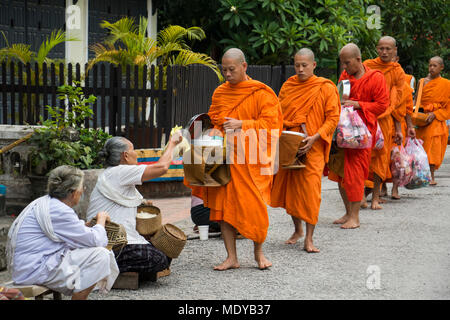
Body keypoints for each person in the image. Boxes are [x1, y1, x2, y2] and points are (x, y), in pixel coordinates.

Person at [203, 48, 283, 270]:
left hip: (252, 161)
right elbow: (215, 119)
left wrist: (243, 124)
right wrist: (215, 131)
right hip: (226, 159)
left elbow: (271, 125)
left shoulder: (261, 93)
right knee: (223, 209)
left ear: (244, 66)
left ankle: (259, 254)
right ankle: (232, 257)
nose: (227, 74)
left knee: (255, 207)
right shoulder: (220, 93)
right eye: (224, 70)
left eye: (232, 69)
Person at [6, 165, 119, 300]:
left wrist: (86, 225)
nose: (83, 191)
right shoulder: (59, 210)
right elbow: (97, 240)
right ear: (73, 192)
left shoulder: (48, 203)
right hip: (35, 270)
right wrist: (101, 220)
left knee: (92, 255)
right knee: (101, 255)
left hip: (29, 267)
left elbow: (69, 230)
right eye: (81, 188)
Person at [270, 48, 340, 252]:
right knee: (291, 189)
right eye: (297, 65)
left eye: (304, 65)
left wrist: (316, 137)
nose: (300, 69)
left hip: (314, 146)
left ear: (314, 65)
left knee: (310, 191)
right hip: (291, 143)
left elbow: (333, 117)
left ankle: (309, 238)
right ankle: (297, 229)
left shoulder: (325, 87)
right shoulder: (288, 86)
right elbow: (278, 114)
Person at [86, 133, 181, 278]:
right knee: (159, 258)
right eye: (133, 150)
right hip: (112, 244)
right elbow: (162, 167)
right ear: (125, 155)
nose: (136, 154)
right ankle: (106, 267)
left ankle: (126, 269)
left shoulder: (115, 173)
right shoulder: (119, 172)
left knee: (166, 250)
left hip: (120, 240)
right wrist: (172, 143)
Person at [328, 43, 389, 229]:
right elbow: (339, 98)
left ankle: (355, 217)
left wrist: (358, 104)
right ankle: (347, 212)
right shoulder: (345, 77)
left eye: (347, 63)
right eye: (342, 64)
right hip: (342, 132)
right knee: (340, 174)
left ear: (358, 60)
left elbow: (382, 105)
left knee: (354, 175)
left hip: (361, 135)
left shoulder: (375, 78)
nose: (344, 67)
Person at [362, 36, 407, 209]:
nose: (385, 52)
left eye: (388, 49)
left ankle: (375, 196)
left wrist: (398, 129)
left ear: (395, 50)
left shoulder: (397, 71)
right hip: (366, 116)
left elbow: (398, 102)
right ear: (377, 49)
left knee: (380, 158)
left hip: (385, 121)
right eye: (381, 48)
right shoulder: (368, 65)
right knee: (364, 156)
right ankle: (362, 193)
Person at [415, 56, 450, 185]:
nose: (431, 68)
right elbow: (416, 100)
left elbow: (448, 105)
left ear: (441, 67)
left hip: (436, 119)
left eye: (435, 66)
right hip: (422, 119)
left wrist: (435, 114)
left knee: (433, 147)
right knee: (421, 147)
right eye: (430, 65)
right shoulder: (422, 81)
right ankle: (420, 175)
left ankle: (432, 176)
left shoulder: (446, 84)